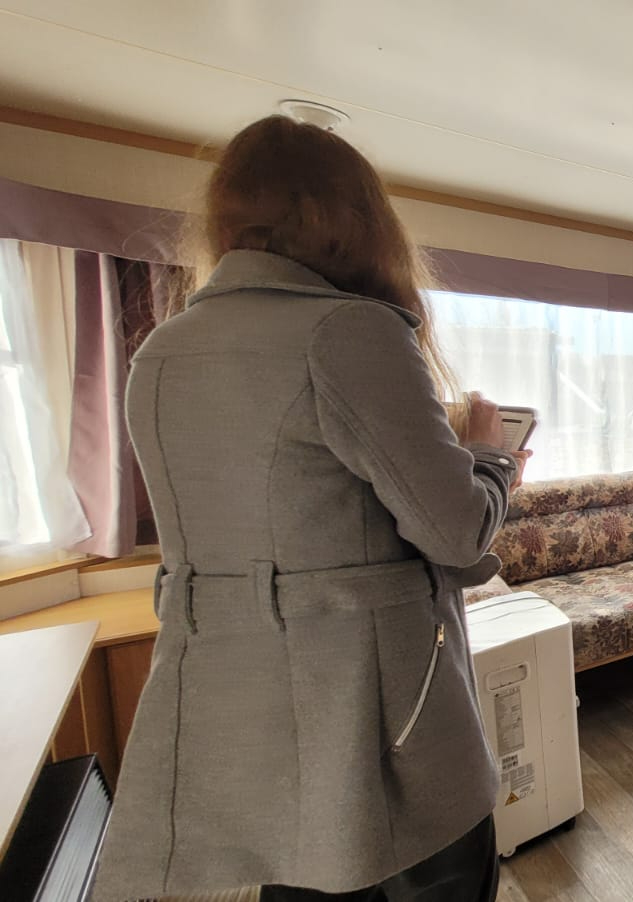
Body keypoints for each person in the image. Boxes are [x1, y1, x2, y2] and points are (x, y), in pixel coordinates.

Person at [93, 116, 530, 901]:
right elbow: (458, 533)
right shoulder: (349, 331)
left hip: (239, 722)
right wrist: (491, 458)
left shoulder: (159, 352)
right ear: (359, 223)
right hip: (375, 723)